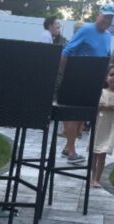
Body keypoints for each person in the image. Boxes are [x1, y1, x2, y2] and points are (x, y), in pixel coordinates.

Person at [60, 5, 114, 165]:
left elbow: (105, 58)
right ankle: (71, 151)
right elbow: (66, 51)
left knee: (82, 117)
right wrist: (65, 74)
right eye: (105, 16)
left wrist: (103, 78)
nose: (107, 20)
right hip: (76, 80)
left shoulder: (107, 35)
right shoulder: (86, 30)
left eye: (110, 18)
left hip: (92, 83)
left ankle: (68, 147)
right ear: (98, 15)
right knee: (72, 114)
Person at [91, 66, 114, 188]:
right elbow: (95, 106)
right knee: (94, 152)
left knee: (103, 153)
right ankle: (92, 176)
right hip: (99, 125)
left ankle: (97, 179)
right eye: (111, 74)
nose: (113, 78)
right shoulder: (101, 92)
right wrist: (105, 106)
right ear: (106, 77)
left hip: (110, 128)